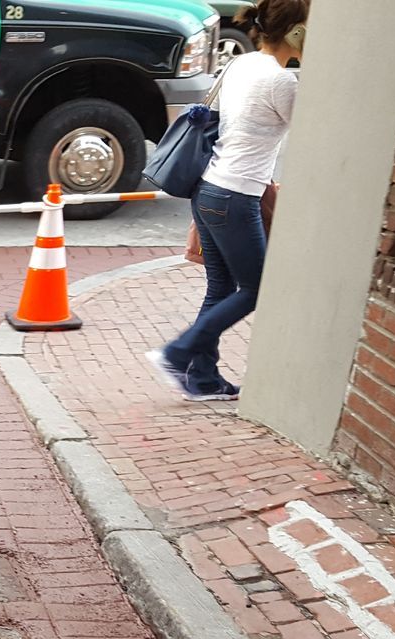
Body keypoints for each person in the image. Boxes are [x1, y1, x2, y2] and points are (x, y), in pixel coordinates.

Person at [148, 0, 308, 401]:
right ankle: (177, 352)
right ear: (297, 32)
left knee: (221, 288)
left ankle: (202, 379)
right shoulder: (282, 82)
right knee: (256, 288)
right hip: (235, 196)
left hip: (208, 188)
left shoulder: (242, 63)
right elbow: (313, 130)